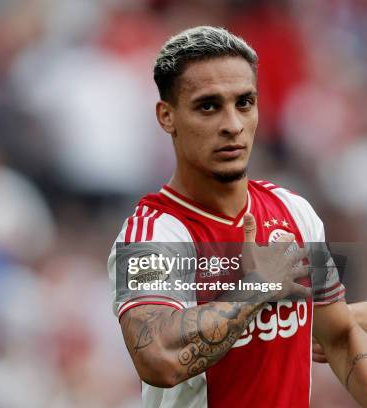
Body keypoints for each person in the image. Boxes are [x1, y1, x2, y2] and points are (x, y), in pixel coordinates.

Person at [107, 26, 367, 407]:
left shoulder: (294, 211)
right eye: (208, 106)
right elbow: (157, 358)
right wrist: (258, 286)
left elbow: (340, 335)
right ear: (167, 117)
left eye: (244, 102)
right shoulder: (153, 234)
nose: (232, 125)